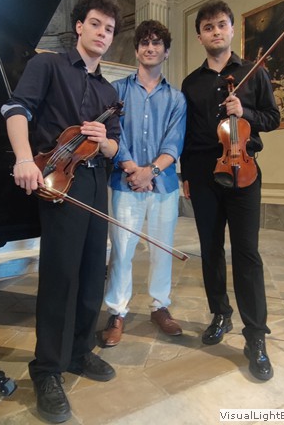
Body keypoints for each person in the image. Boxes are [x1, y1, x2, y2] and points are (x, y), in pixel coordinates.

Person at [1, 0, 122, 423]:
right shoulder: (48, 65)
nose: (102, 33)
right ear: (79, 26)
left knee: (92, 272)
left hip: (95, 181)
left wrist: (103, 140)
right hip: (60, 178)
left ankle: (79, 352)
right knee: (61, 276)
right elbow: (17, 109)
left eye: (109, 29)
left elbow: (115, 147)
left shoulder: (110, 92)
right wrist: (22, 158)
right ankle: (47, 369)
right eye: (96, 24)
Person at [180, 1, 280, 381]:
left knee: (247, 254)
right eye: (208, 27)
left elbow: (273, 118)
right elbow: (188, 135)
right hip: (204, 174)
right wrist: (186, 175)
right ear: (200, 36)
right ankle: (220, 313)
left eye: (221, 25)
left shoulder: (254, 73)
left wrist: (245, 112)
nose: (216, 32)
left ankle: (255, 336)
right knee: (210, 249)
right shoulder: (191, 83)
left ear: (232, 29)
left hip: (244, 172)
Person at [101, 20, 187, 347]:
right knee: (122, 251)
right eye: (145, 43)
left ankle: (159, 306)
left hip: (163, 186)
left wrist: (149, 171)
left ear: (166, 51)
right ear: (137, 50)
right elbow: (113, 133)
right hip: (125, 183)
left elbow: (174, 143)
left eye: (156, 43)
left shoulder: (176, 98)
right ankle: (117, 312)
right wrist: (132, 168)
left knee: (161, 250)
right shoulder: (116, 90)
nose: (150, 48)